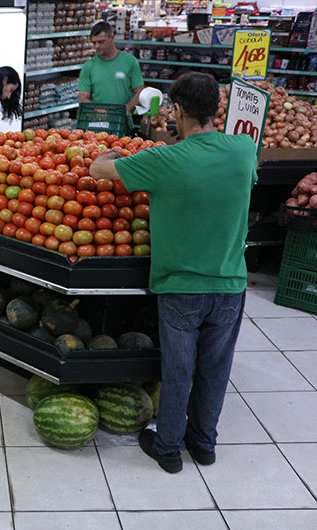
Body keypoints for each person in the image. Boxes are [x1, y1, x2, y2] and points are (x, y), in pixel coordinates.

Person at [89, 73, 258, 474]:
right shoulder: (243, 150)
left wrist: (115, 152)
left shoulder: (164, 160)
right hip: (230, 284)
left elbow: (99, 169)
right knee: (215, 370)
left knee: (178, 371)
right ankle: (204, 444)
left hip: (181, 286)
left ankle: (168, 449)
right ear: (216, 108)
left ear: (177, 110)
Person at [78, 21, 144, 118]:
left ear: (112, 38)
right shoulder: (89, 66)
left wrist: (127, 107)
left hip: (122, 120)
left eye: (101, 42)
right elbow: (82, 97)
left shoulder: (130, 61)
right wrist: (97, 110)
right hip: (97, 121)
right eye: (94, 42)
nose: (97, 46)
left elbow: (140, 92)